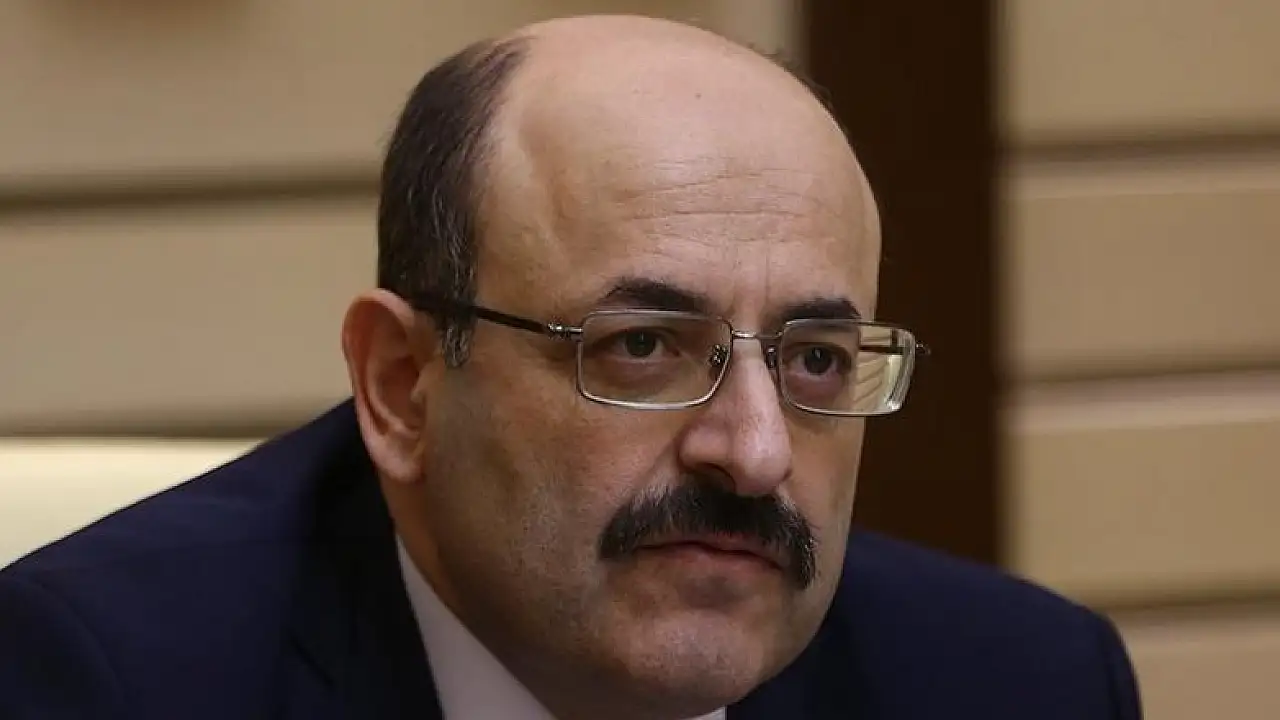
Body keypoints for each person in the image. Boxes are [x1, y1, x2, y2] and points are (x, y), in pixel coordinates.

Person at [0, 14, 1141, 720]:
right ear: (401, 386)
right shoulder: (103, 685)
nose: (752, 454)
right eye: (641, 346)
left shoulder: (1016, 685)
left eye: (812, 360)